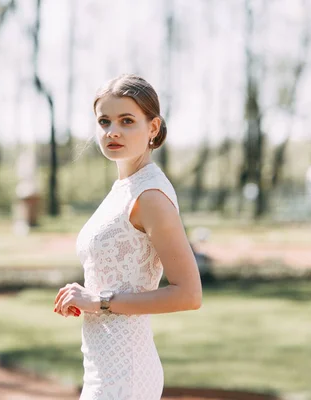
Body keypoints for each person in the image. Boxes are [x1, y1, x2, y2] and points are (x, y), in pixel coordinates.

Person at [54, 74, 202, 399]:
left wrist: (99, 302)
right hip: (102, 363)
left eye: (127, 120)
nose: (113, 131)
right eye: (104, 121)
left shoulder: (149, 195)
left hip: (126, 373)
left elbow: (189, 294)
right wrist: (85, 296)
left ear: (153, 127)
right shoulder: (123, 189)